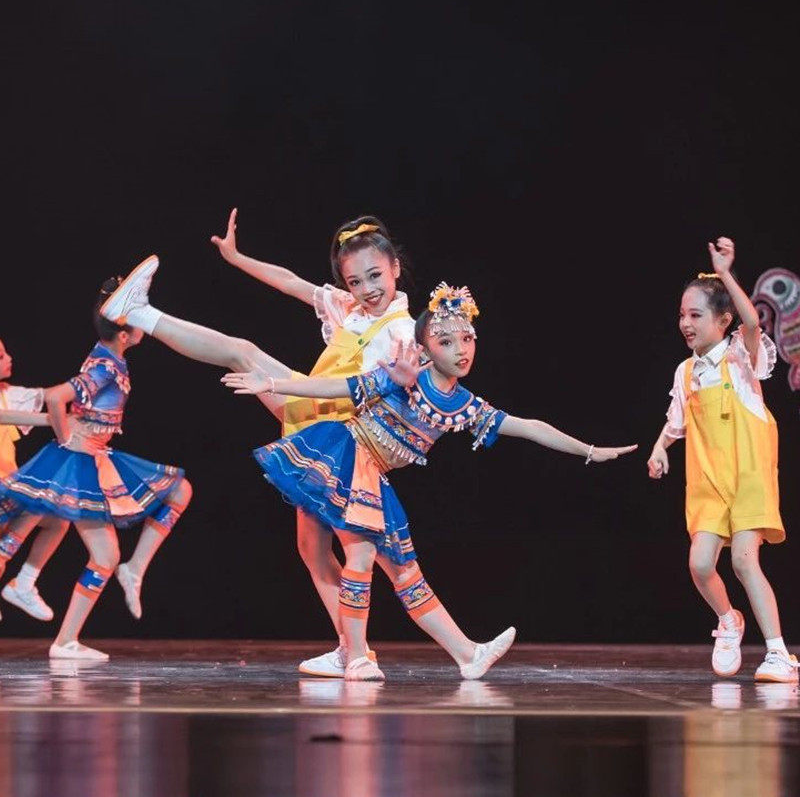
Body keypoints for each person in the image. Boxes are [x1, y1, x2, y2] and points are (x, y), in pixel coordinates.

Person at [222, 283, 637, 680]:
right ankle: (357, 656)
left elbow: (527, 426)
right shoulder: (405, 377)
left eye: (467, 339)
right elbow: (340, 386)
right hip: (347, 456)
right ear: (423, 348)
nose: (461, 350)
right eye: (446, 342)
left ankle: (467, 654)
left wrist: (588, 449)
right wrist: (273, 384)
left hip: (372, 475)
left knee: (405, 571)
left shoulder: (464, 405)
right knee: (360, 556)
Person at [103, 214, 417, 677]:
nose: (367, 289)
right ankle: (354, 651)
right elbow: (291, 282)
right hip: (320, 424)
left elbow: (388, 391)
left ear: (395, 268)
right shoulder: (350, 309)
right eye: (355, 281)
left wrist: (276, 385)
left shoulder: (401, 330)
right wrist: (237, 258)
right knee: (313, 548)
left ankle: (140, 314)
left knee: (242, 352)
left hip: (337, 432)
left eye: (374, 276)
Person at [0, 277, 192, 660]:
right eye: (137, 320)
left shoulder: (108, 357)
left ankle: (110, 586)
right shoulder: (105, 366)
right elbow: (57, 398)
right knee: (78, 545)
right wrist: (65, 437)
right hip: (79, 462)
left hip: (92, 457)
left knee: (176, 492)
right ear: (124, 333)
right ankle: (60, 630)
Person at [647, 237, 797, 683]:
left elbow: (752, 321)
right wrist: (659, 447)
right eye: (682, 315)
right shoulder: (685, 371)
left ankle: (778, 654)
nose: (685, 323)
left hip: (748, 476)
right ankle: (729, 619)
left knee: (745, 562)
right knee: (699, 564)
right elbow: (676, 421)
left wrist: (726, 273)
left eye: (695, 315)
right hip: (709, 482)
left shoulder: (740, 358)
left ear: (722, 320)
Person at [0, 339, 69, 621]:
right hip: (8, 494)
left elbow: (51, 395)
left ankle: (24, 583)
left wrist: (88, 383)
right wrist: (52, 420)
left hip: (8, 492)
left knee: (58, 519)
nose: (9, 357)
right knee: (36, 498)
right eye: (0, 356)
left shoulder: (9, 394)